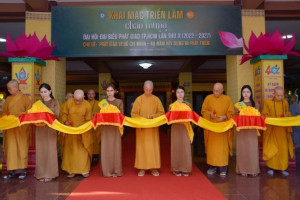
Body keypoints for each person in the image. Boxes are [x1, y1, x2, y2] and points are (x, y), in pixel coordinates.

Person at [131, 80, 165, 176]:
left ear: (153, 89)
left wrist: (153, 116)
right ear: (143, 88)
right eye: (146, 90)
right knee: (142, 148)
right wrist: (142, 119)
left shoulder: (156, 99)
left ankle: (153, 168)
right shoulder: (139, 99)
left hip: (152, 129)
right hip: (142, 129)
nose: (148, 92)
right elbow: (133, 114)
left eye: (150, 90)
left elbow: (162, 113)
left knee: (153, 148)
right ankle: (142, 168)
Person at [201, 82, 235, 177]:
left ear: (222, 90)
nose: (215, 92)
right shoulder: (208, 98)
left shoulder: (227, 99)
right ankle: (212, 167)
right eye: (214, 90)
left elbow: (231, 114)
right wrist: (209, 114)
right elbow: (203, 111)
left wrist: (225, 117)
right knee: (212, 150)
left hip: (223, 128)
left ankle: (223, 168)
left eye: (217, 91)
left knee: (222, 149)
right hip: (212, 128)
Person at [1, 79, 32, 180]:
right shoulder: (8, 99)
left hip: (21, 129)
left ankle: (22, 170)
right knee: (11, 150)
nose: (8, 91)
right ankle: (12, 171)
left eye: (9, 89)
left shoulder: (25, 99)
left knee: (21, 149)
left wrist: (19, 118)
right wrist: (7, 116)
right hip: (10, 129)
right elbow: (3, 112)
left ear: (15, 88)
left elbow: (30, 113)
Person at [60, 89, 93, 178]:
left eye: (80, 100)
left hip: (82, 132)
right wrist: (66, 121)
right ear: (73, 97)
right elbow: (63, 114)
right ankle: (71, 171)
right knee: (70, 151)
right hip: (70, 131)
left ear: (84, 97)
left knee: (82, 151)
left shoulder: (87, 105)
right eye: (76, 100)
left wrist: (83, 128)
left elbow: (89, 120)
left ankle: (84, 170)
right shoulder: (69, 103)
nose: (77, 102)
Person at [262, 86, 294, 176]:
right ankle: (271, 168)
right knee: (272, 148)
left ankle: (282, 168)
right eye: (278, 95)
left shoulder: (285, 103)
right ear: (274, 94)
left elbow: (288, 112)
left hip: (282, 131)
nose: (280, 97)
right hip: (272, 130)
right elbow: (264, 114)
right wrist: (272, 119)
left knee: (282, 150)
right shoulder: (268, 103)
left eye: (281, 95)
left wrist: (287, 115)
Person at [35, 83, 59, 182]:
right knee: (41, 151)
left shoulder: (55, 102)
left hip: (51, 128)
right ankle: (40, 173)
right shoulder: (38, 103)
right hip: (40, 129)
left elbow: (57, 115)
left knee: (51, 151)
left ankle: (50, 173)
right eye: (41, 92)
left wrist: (46, 112)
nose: (43, 94)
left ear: (50, 91)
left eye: (45, 91)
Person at [234, 85, 260, 177]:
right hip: (242, 130)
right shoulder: (239, 104)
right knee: (243, 150)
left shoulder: (255, 104)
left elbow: (258, 116)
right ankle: (242, 170)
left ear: (251, 93)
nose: (246, 94)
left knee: (252, 150)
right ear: (241, 93)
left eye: (248, 92)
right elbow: (236, 116)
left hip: (252, 130)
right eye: (244, 92)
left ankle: (253, 170)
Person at [101, 84, 124, 177]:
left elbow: (121, 115)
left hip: (115, 127)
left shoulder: (119, 102)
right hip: (106, 128)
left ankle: (116, 171)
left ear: (114, 91)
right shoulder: (103, 102)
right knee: (106, 148)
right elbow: (101, 115)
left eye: (111, 90)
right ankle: (106, 171)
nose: (109, 93)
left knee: (116, 148)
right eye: (108, 91)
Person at [170, 86, 192, 176]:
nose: (180, 94)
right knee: (176, 148)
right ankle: (176, 169)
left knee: (185, 147)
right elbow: (169, 119)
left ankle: (186, 169)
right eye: (178, 92)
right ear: (175, 94)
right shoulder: (172, 106)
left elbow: (191, 117)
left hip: (185, 127)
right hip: (175, 128)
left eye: (181, 92)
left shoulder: (188, 105)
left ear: (184, 94)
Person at [87, 89, 101, 162]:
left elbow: (101, 114)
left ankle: (96, 154)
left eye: (92, 94)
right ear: (87, 95)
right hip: (87, 125)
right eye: (89, 94)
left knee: (95, 140)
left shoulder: (98, 103)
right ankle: (89, 154)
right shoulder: (85, 103)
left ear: (95, 95)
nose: (90, 95)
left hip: (96, 125)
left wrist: (94, 113)